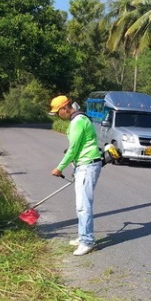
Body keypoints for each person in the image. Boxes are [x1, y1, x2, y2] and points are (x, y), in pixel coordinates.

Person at [49, 95, 102, 256]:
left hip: (87, 165)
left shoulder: (78, 121)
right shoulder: (80, 118)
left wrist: (60, 168)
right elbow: (77, 148)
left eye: (58, 112)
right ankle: (82, 236)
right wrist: (76, 167)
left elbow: (73, 149)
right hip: (84, 165)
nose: (59, 115)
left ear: (65, 107)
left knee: (83, 205)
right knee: (80, 204)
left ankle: (87, 241)